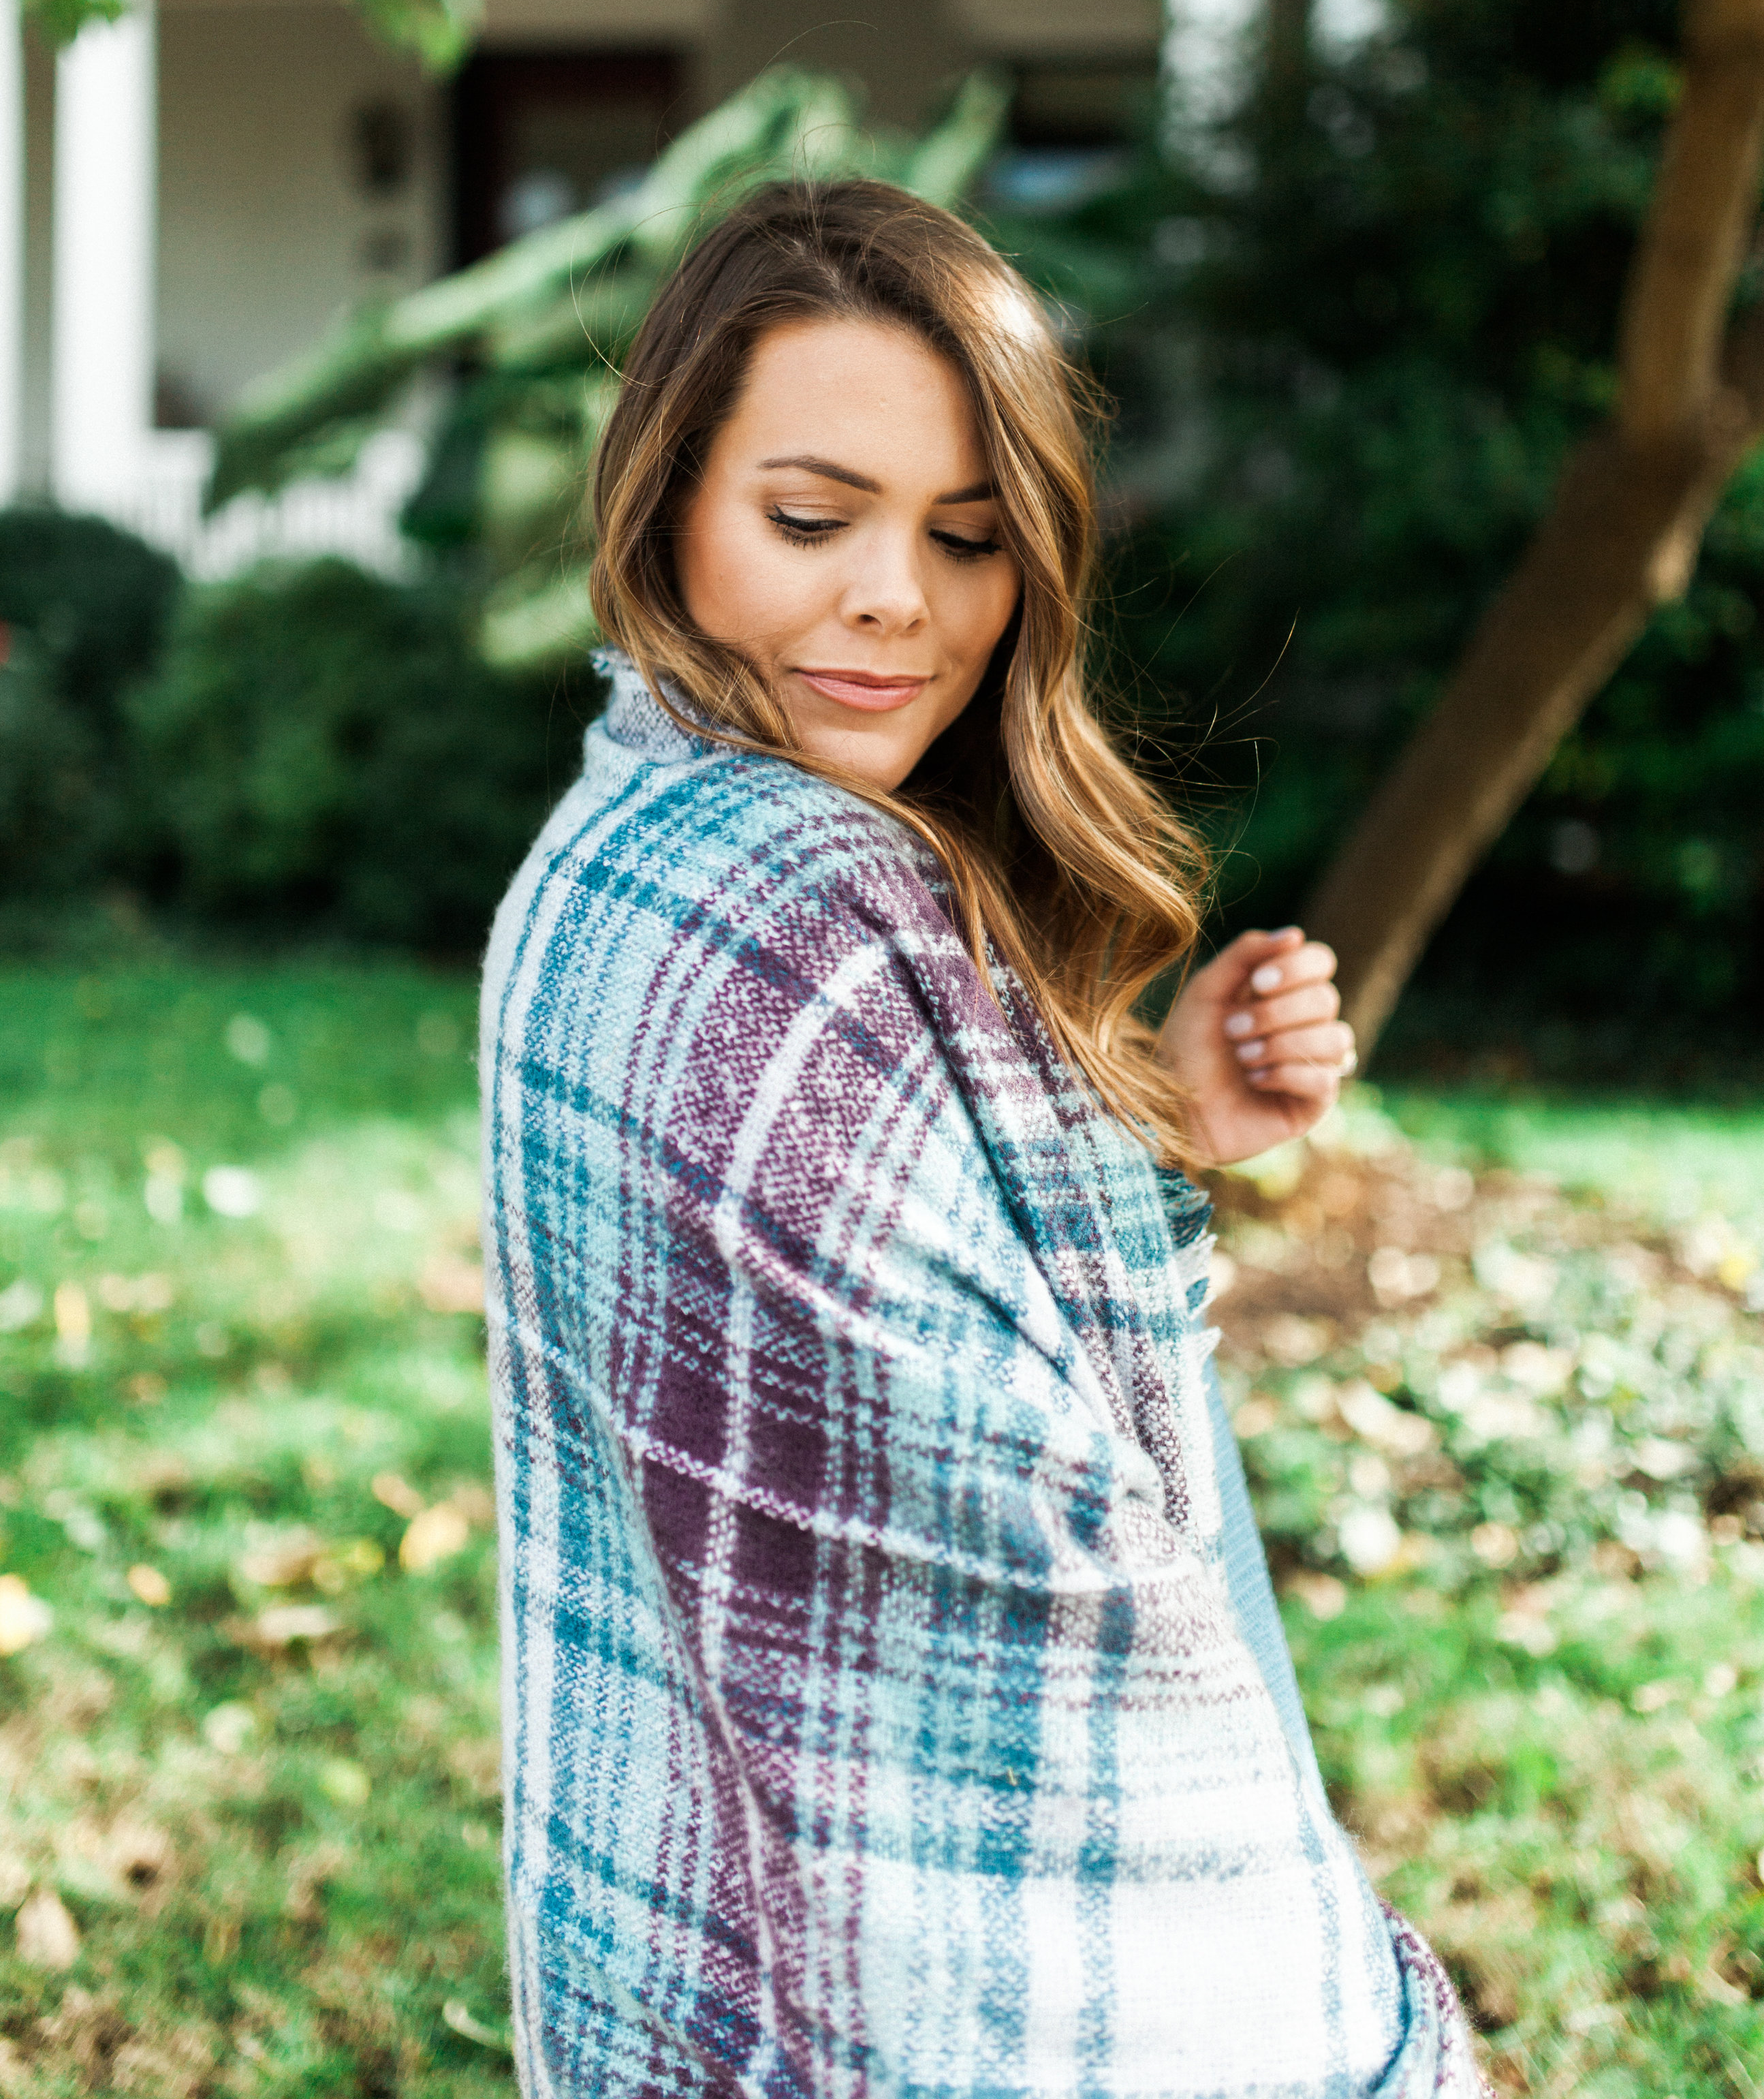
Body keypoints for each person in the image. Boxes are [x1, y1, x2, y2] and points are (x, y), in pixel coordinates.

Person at [481, 181, 1481, 2098]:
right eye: (808, 518)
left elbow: (941, 1295)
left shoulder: (622, 840)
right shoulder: (766, 900)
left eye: (967, 538)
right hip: (937, 1983)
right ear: (665, 502)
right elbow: (1010, 1523)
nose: (897, 600)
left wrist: (1160, 1121)